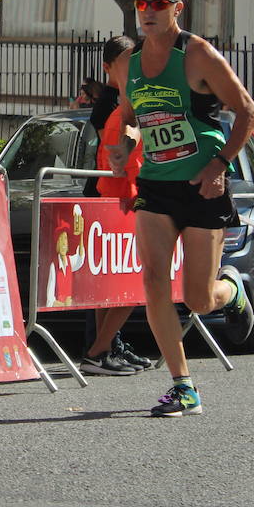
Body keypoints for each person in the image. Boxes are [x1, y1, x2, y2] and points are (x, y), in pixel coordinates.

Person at [110, 0, 254, 417]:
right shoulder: (127, 64)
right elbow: (132, 117)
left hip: (201, 184)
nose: (149, 12)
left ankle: (231, 291)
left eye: (159, 3)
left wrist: (219, 165)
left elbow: (248, 112)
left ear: (178, 8)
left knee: (197, 298)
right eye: (141, 4)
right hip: (156, 184)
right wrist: (125, 147)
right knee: (154, 279)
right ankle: (182, 385)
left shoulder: (198, 55)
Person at [79, 35, 153, 376]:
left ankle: (105, 348)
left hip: (123, 204)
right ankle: (99, 350)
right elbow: (119, 167)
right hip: (122, 206)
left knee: (120, 286)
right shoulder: (113, 115)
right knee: (133, 284)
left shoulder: (126, 114)